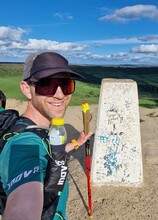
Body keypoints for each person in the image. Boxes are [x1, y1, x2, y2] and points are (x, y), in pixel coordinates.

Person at [0, 51, 92, 219]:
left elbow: (52, 150)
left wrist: (77, 142)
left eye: (66, 85)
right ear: (27, 90)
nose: (60, 94)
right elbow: (22, 207)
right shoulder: (23, 143)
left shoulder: (41, 132)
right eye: (47, 84)